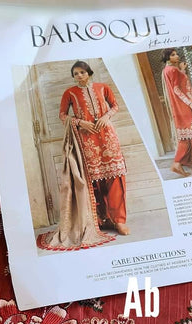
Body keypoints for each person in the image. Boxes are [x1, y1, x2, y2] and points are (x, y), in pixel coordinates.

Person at [59, 61, 129, 236]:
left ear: (89, 73)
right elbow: (62, 115)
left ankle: (119, 220)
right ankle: (101, 219)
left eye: (82, 72)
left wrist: (106, 117)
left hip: (108, 137)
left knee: (115, 177)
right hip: (86, 140)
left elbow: (115, 106)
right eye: (76, 73)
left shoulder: (103, 87)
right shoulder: (69, 93)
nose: (79, 76)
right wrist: (79, 122)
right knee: (94, 181)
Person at [161, 49, 192, 177]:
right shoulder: (173, 70)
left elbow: (180, 84)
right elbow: (177, 90)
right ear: (168, 57)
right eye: (173, 55)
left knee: (187, 136)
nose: (177, 56)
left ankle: (179, 164)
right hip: (184, 107)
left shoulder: (167, 70)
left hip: (179, 107)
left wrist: (182, 70)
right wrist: (191, 104)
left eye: (176, 54)